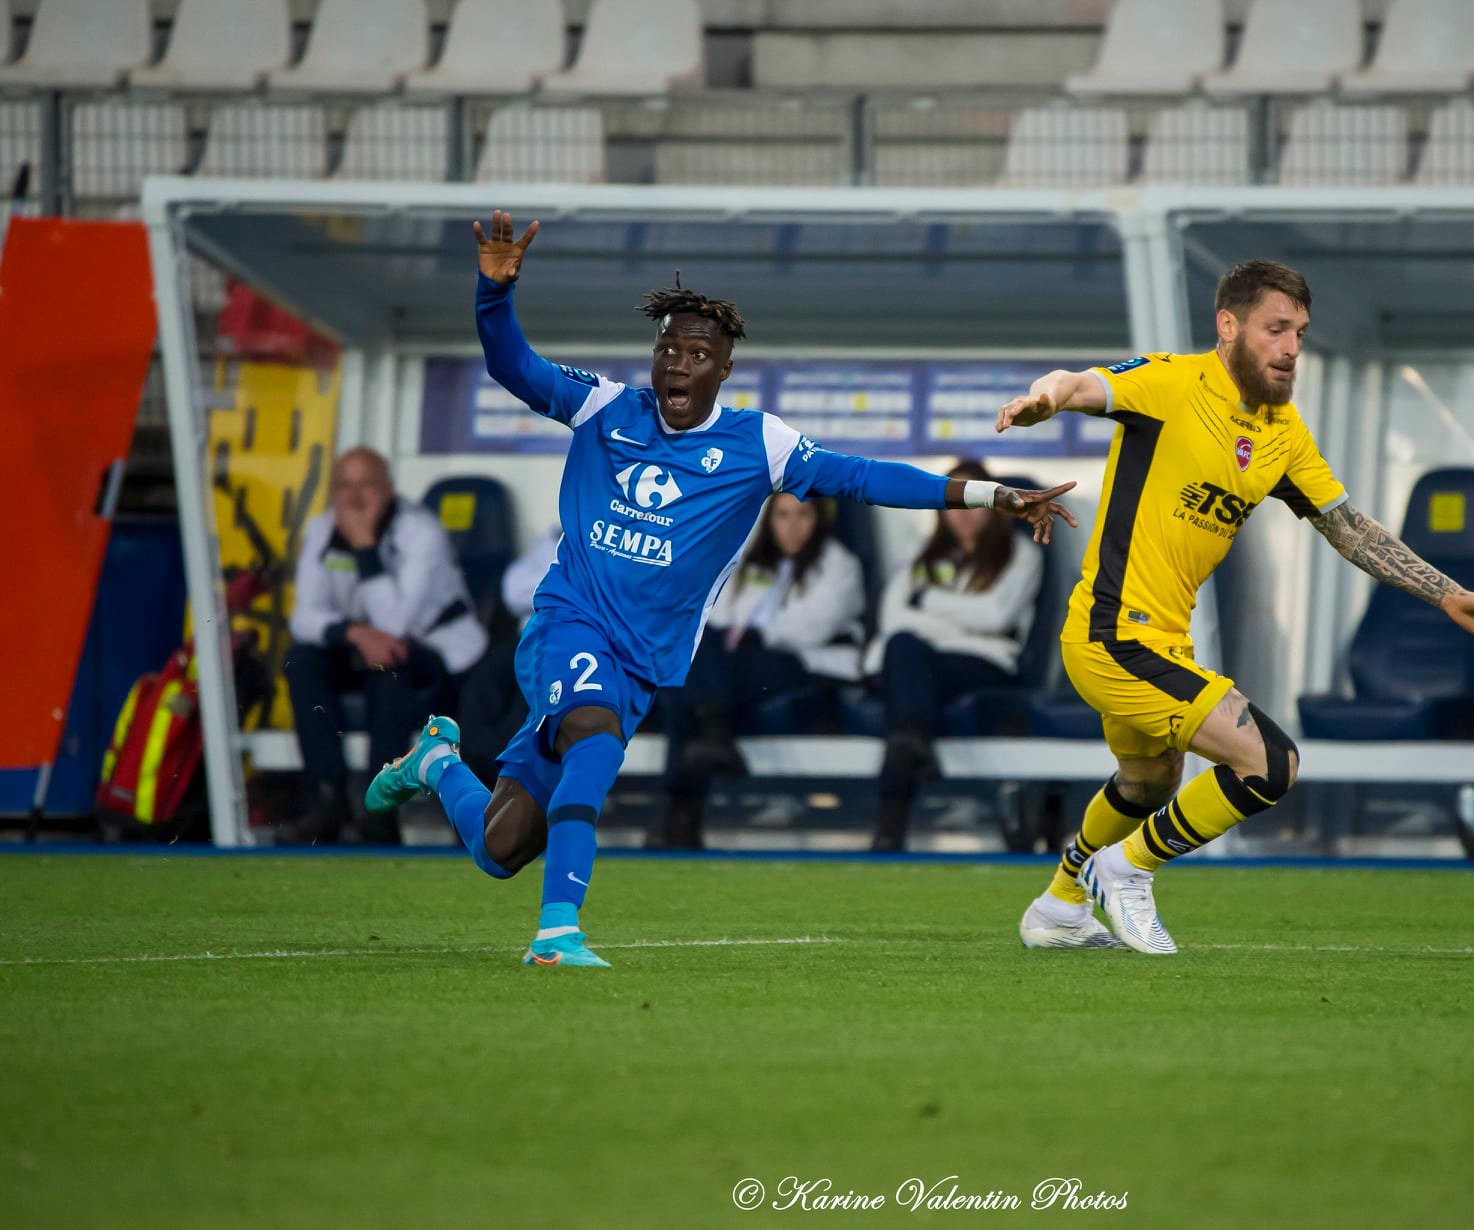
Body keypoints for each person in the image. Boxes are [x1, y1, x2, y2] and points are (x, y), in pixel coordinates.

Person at [363, 211, 1078, 968]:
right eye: (667, 348)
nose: (677, 363)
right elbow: (515, 367)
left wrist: (991, 496)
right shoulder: (606, 409)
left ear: (723, 369)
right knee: (595, 743)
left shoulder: (756, 444)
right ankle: (557, 934)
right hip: (570, 626)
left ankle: (435, 763)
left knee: (503, 847)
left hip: (642, 662)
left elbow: (866, 478)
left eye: (697, 353)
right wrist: (493, 294)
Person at [996, 259, 1474, 954]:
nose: (1291, 348)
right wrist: (1045, 399)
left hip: (1165, 643)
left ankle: (1059, 904)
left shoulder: (1282, 432)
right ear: (1228, 326)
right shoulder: (1169, 383)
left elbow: (1349, 527)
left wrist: (1449, 596)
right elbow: (1077, 383)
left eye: (1301, 333)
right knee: (1271, 763)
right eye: (1275, 329)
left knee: (1149, 779)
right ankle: (1127, 869)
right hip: (1110, 637)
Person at [283, 446, 487, 844]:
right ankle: (326, 798)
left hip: (436, 652)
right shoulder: (322, 529)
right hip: (361, 648)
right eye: (344, 486)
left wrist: (363, 547)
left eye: (366, 485)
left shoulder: (421, 531)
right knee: (302, 659)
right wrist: (352, 634)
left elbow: (396, 625)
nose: (355, 497)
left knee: (390, 665)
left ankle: (380, 807)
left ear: (389, 490)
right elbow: (303, 618)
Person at [651, 493, 866, 849]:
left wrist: (757, 633)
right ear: (770, 520)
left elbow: (814, 626)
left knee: (691, 683)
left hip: (807, 662)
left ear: (819, 520)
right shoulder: (750, 563)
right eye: (783, 515)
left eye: (803, 515)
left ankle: (678, 810)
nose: (792, 526)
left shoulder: (839, 564)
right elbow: (716, 615)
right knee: (682, 675)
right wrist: (730, 636)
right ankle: (711, 737)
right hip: (737, 667)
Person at [864, 459, 1043, 852]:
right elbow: (892, 618)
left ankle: (890, 826)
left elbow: (996, 616)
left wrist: (926, 602)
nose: (963, 514)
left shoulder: (1019, 554)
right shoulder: (921, 552)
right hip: (921, 663)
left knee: (907, 671)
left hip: (983, 663)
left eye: (973, 499)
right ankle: (913, 744)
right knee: (903, 651)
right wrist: (955, 623)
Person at [454, 526, 559, 787]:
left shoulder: (625, 536)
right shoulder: (558, 534)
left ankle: (512, 786)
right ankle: (478, 781)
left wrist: (550, 590)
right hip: (529, 637)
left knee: (529, 696)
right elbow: (513, 590)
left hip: (576, 642)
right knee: (482, 682)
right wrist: (560, 589)